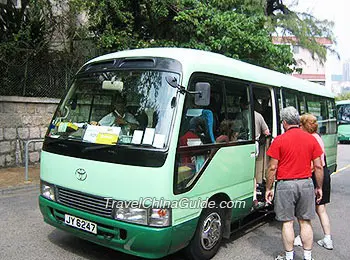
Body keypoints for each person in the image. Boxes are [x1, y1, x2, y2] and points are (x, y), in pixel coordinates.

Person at [265, 106, 324, 260]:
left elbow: (272, 167)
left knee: (287, 223)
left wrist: (268, 188)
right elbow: (318, 166)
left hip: (285, 186)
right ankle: (307, 256)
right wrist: (319, 187)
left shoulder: (279, 140)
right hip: (306, 183)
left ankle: (289, 257)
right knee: (305, 222)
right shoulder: (311, 138)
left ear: (284, 122)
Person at [294, 114, 333, 250]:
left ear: (304, 125)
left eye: (300, 125)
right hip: (324, 174)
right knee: (321, 209)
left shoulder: (309, 139)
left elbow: (315, 164)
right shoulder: (318, 137)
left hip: (314, 176)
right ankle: (328, 238)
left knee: (305, 210)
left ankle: (301, 237)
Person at [253, 110, 270, 207]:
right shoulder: (258, 115)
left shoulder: (241, 114)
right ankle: (254, 196)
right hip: (255, 145)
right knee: (253, 172)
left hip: (244, 144)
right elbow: (267, 132)